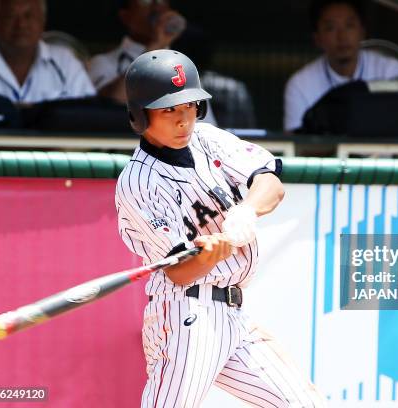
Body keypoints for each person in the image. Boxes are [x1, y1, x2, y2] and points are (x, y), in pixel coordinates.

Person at [115, 49, 325, 407]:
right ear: (140, 115)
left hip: (235, 314)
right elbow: (181, 271)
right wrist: (212, 251)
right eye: (169, 110)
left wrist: (246, 211)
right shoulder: (138, 183)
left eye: (189, 107)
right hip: (185, 314)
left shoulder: (207, 139)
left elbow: (270, 183)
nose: (183, 120)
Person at [283, 0, 398, 132]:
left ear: (362, 32)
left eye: (349, 25)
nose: (342, 36)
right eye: (330, 28)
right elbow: (295, 145)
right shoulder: (300, 85)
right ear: (317, 38)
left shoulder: (390, 71)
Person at [89, 0, 217, 124]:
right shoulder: (102, 63)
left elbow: (205, 125)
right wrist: (156, 44)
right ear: (125, 16)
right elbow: (112, 105)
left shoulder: (182, 65)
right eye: (146, 1)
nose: (156, 5)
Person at [0, 0, 95, 104]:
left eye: (29, 16)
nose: (21, 24)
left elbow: (89, 112)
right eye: (11, 16)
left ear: (43, 21)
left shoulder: (65, 62)